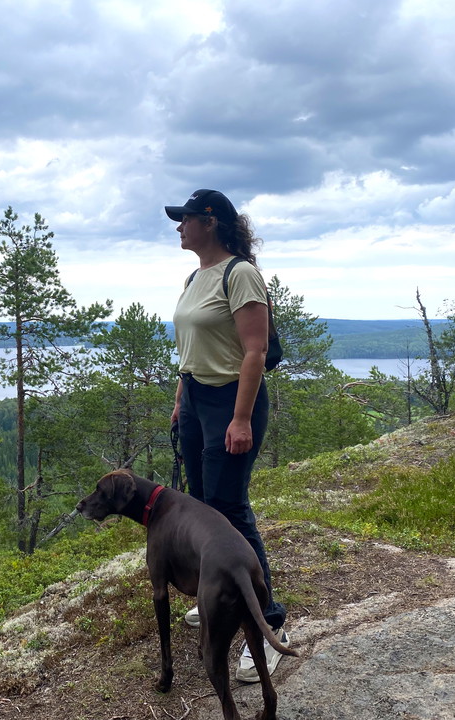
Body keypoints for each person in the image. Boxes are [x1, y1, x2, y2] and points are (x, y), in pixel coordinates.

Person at [165, 188, 289, 682]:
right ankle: (215, 593)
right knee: (202, 505)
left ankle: (271, 622)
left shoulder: (241, 274)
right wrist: (181, 399)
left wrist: (239, 420)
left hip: (231, 402)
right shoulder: (196, 276)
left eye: (185, 219)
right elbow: (193, 347)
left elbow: (254, 351)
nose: (179, 227)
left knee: (230, 510)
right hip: (197, 399)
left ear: (209, 222)